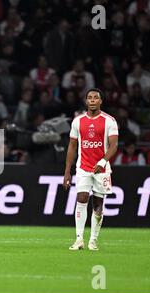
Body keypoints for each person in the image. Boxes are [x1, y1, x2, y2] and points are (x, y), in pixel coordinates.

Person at [63, 88, 119, 251]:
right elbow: (72, 146)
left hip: (102, 169)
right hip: (83, 168)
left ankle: (93, 240)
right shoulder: (78, 121)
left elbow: (114, 145)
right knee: (81, 198)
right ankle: (79, 239)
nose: (92, 100)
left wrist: (103, 161)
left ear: (101, 101)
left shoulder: (109, 120)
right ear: (86, 101)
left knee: (98, 205)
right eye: (89, 97)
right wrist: (67, 171)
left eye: (96, 97)